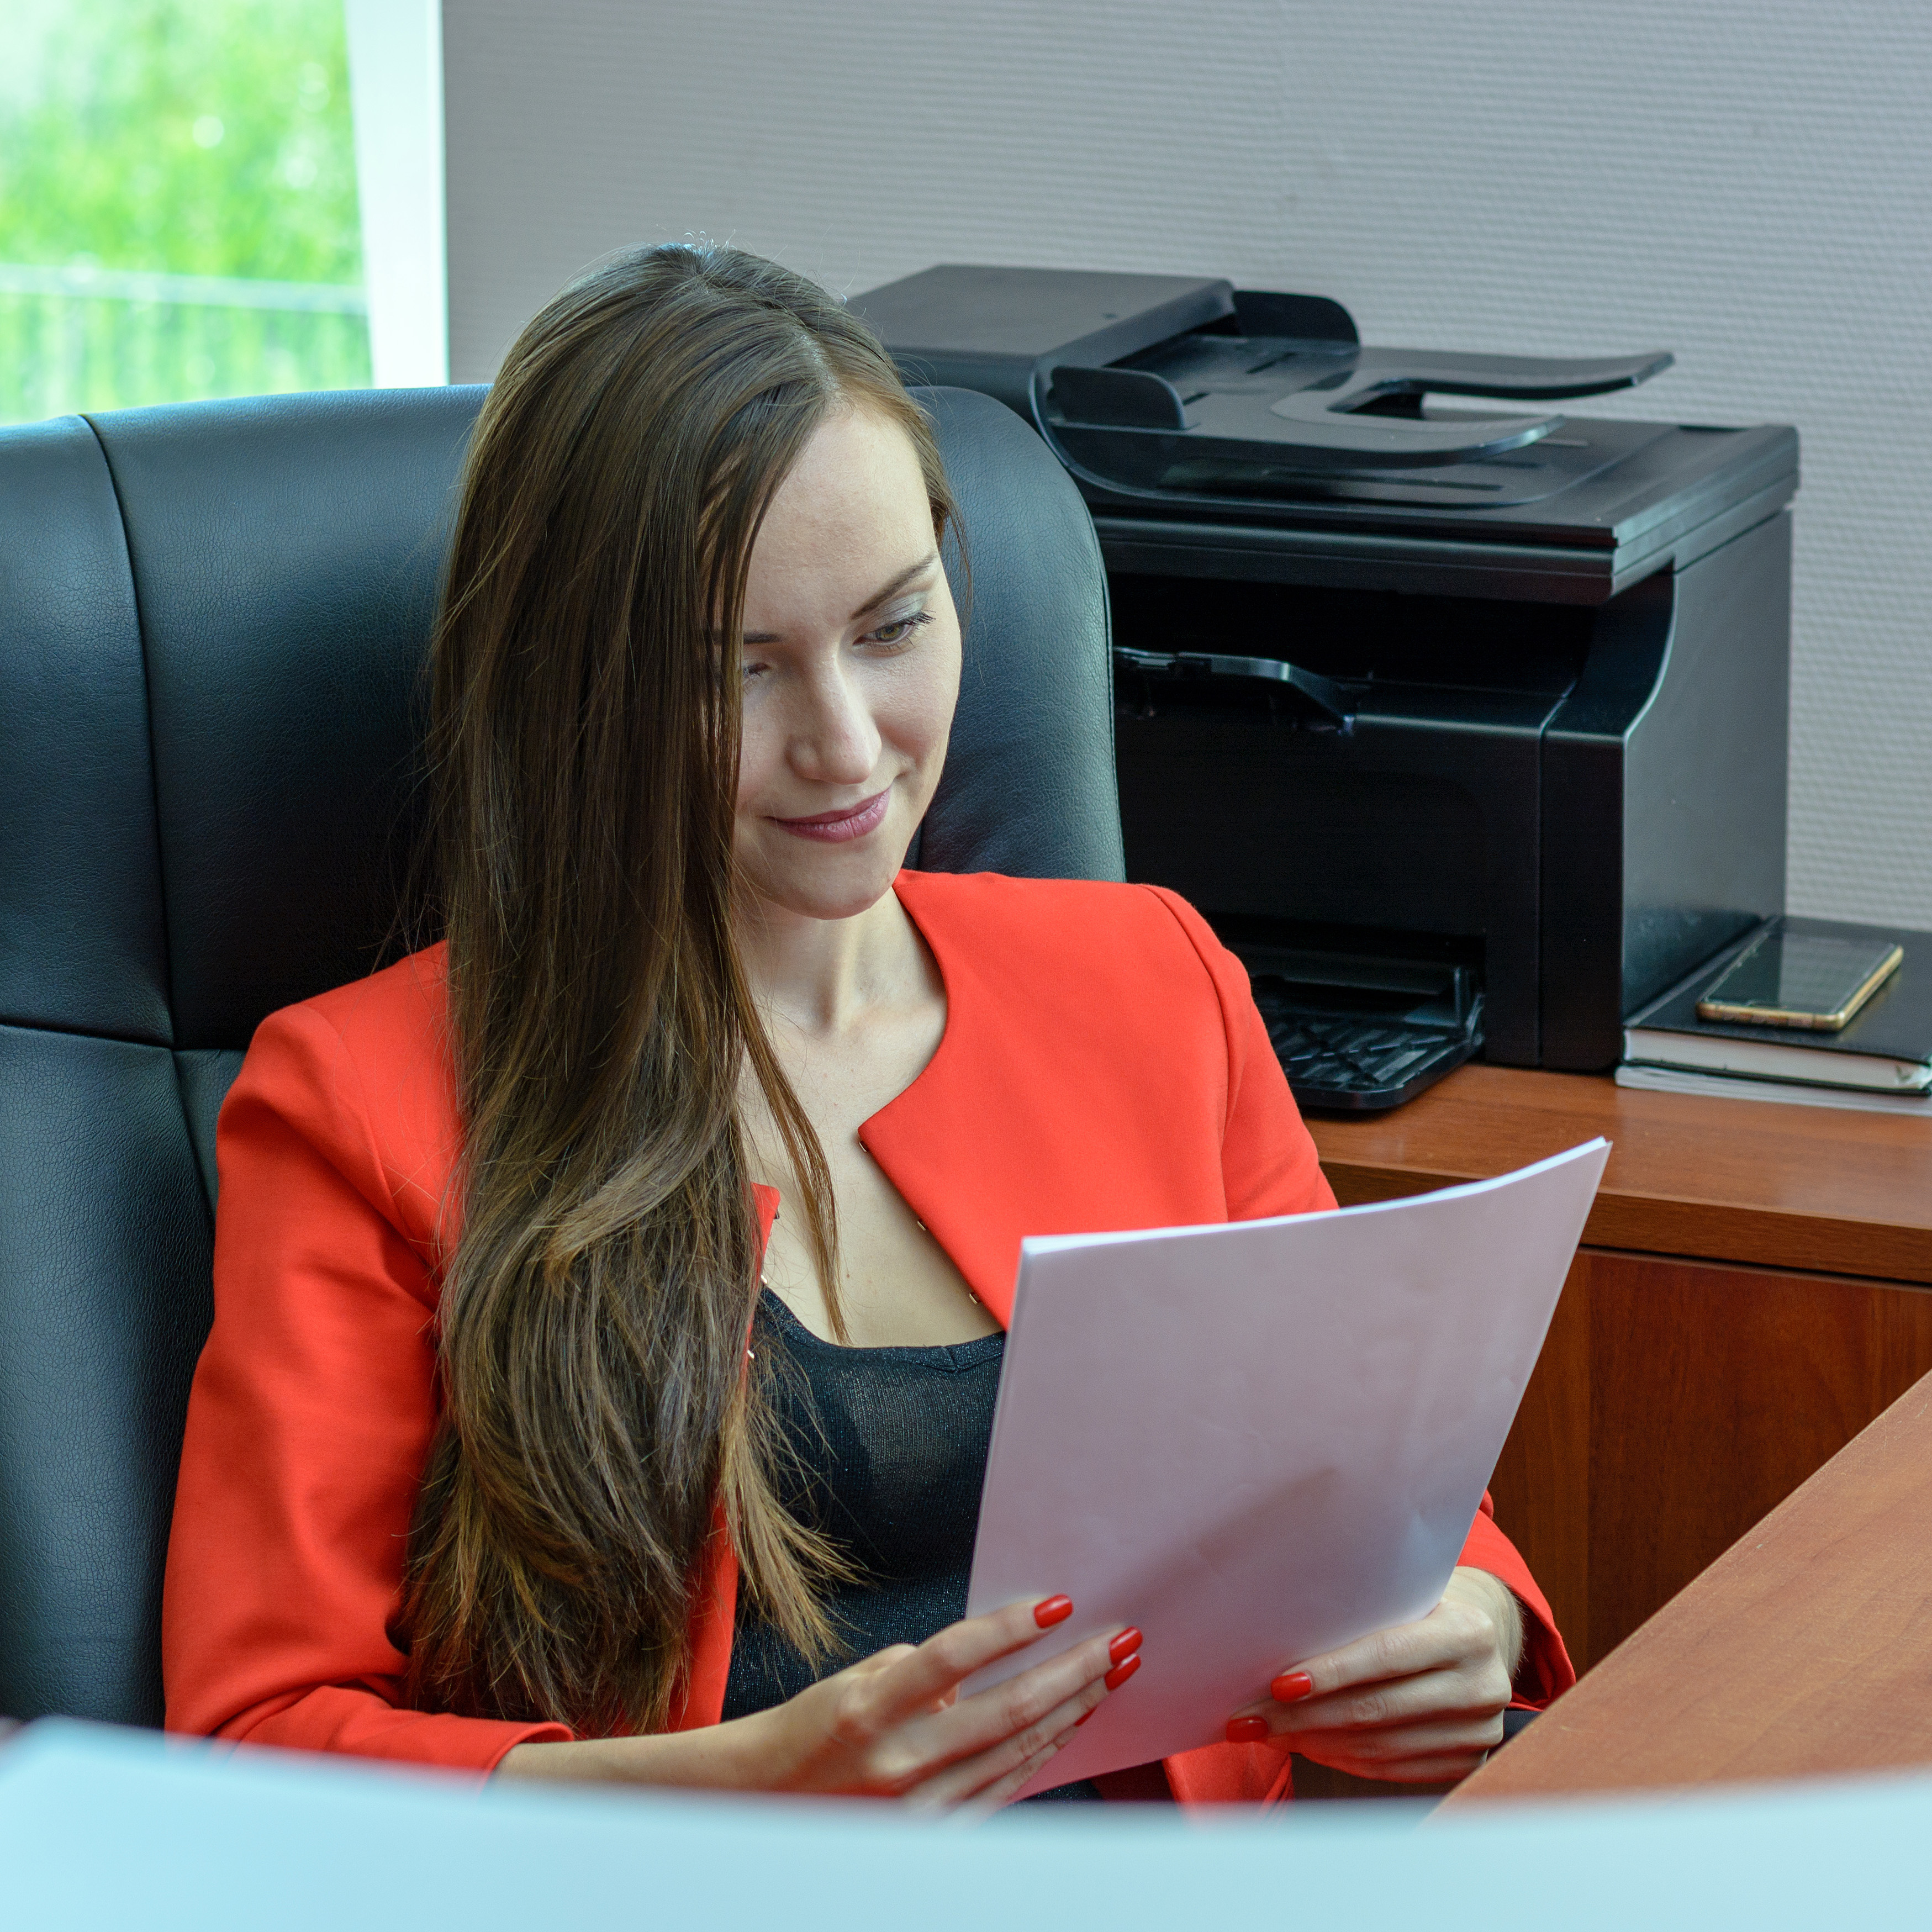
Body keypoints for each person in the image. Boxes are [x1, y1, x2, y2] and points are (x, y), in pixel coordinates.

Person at [162, 244, 1573, 1809]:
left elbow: (1374, 1495)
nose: (843, 745)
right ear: (573, 690)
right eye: (734, 669)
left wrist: (1470, 1617)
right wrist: (737, 1792)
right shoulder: (359, 1096)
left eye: (893, 626)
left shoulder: (1155, 979)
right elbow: (256, 1752)